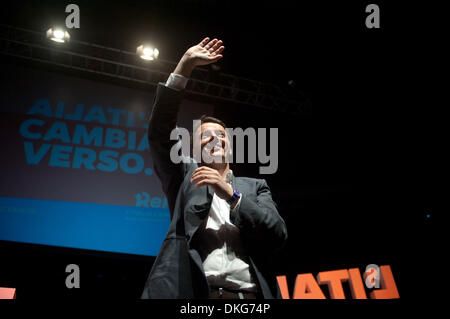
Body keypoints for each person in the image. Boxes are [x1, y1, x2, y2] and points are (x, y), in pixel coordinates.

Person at [141, 37, 287, 299]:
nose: (215, 139)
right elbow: (160, 132)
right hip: (196, 295)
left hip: (249, 298)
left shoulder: (256, 187)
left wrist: (230, 194)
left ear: (230, 146)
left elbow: (276, 233)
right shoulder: (184, 176)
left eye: (221, 135)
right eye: (205, 136)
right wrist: (185, 66)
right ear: (194, 150)